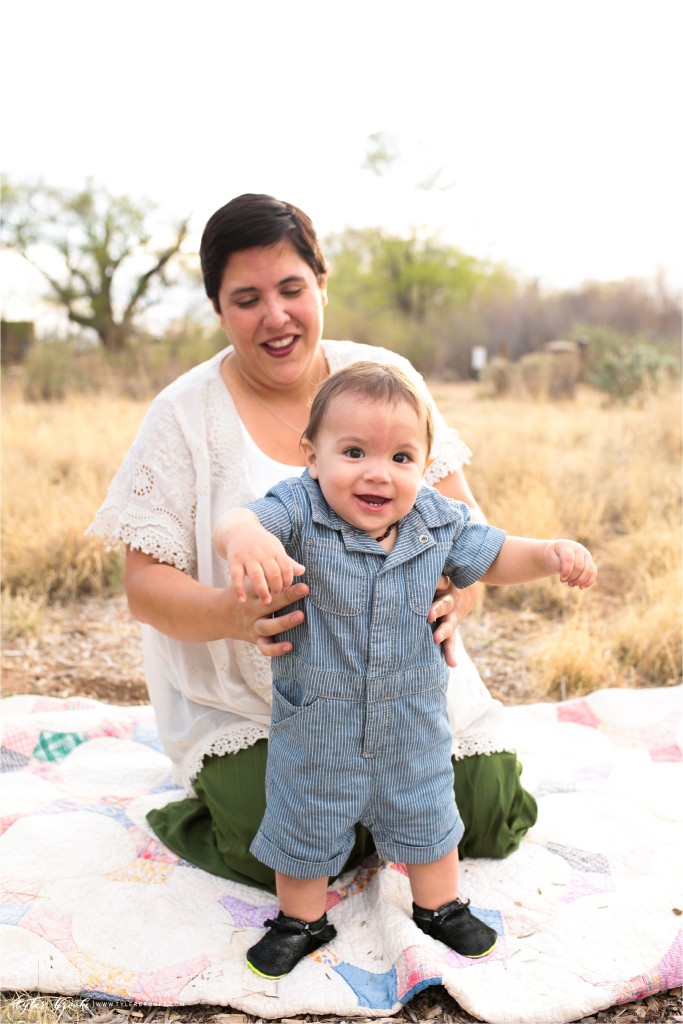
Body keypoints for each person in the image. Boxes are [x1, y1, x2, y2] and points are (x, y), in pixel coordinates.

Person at [87, 192, 538, 898]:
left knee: (488, 815)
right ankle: (247, 811)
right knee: (276, 846)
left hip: (398, 683)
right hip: (256, 698)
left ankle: (374, 817)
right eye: (246, 298)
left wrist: (462, 597)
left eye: (291, 288)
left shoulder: (384, 379)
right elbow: (144, 587)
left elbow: (463, 530)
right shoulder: (183, 413)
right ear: (218, 308)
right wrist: (232, 615)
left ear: (320, 284)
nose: (275, 315)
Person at [213, 362, 597, 978]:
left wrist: (547, 554)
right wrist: (245, 541)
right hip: (319, 719)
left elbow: (496, 553)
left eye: (401, 457)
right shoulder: (298, 508)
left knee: (427, 811)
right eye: (354, 451)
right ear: (311, 456)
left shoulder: (437, 522)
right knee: (303, 814)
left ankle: (438, 906)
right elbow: (239, 520)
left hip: (411, 717)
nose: (377, 472)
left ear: (424, 465)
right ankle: (300, 920)